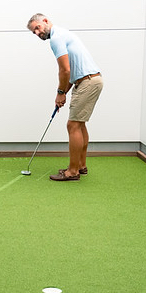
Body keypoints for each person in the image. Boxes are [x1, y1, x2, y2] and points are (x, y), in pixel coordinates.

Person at [27, 13, 104, 182]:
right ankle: (81, 165)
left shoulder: (56, 38)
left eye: (38, 28)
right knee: (79, 124)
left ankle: (73, 171)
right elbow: (70, 74)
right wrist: (62, 94)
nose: (38, 33)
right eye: (34, 32)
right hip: (89, 80)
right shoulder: (63, 33)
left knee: (73, 125)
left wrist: (60, 93)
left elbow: (65, 70)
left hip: (87, 82)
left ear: (45, 21)